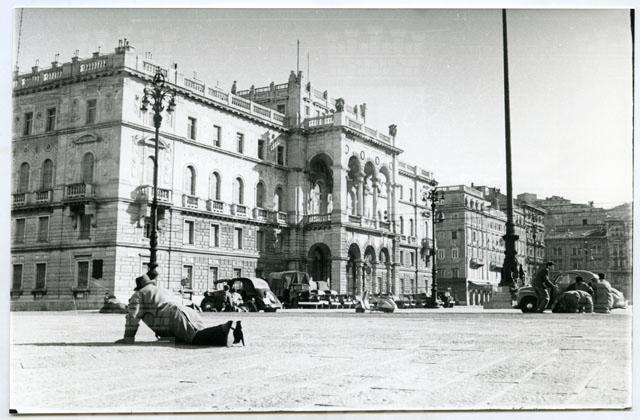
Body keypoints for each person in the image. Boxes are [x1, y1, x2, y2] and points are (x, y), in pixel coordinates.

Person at [115, 273, 244, 347]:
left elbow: (133, 316)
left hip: (173, 315)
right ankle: (232, 334)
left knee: (195, 338)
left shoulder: (139, 294)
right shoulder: (160, 289)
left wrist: (128, 338)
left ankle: (225, 328)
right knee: (199, 336)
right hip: (187, 311)